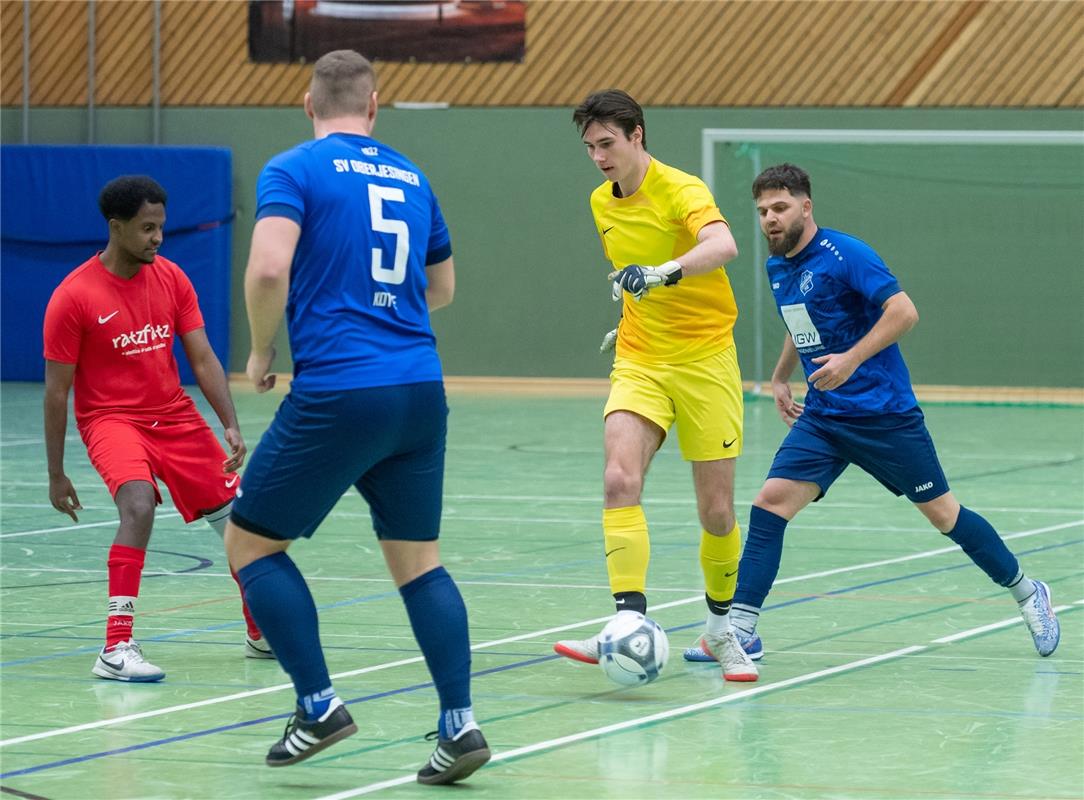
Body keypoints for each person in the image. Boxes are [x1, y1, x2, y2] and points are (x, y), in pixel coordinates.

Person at [222, 50, 489, 783]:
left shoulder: (294, 169)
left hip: (342, 388)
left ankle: (317, 706)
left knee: (250, 544)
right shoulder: (412, 175)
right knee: (418, 563)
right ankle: (459, 725)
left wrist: (261, 348)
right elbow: (441, 287)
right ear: (376, 107)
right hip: (419, 390)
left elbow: (270, 267)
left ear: (308, 106)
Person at [695, 162, 1060, 662]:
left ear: (806, 206)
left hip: (884, 415)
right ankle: (742, 629)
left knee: (945, 516)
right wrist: (782, 376)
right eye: (761, 212)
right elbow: (800, 321)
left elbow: (904, 311)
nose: (770, 220)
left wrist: (850, 359)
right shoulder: (778, 265)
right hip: (825, 417)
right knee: (770, 505)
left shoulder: (846, 254)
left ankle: (1026, 591)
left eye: (779, 208)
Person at [552, 89, 758, 682]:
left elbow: (723, 245)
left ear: (637, 134)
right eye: (590, 147)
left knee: (716, 511)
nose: (598, 157)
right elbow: (628, 278)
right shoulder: (600, 202)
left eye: (607, 144)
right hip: (641, 360)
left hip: (706, 361)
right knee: (619, 478)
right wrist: (632, 316)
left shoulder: (681, 189)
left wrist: (661, 275)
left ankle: (723, 632)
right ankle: (624, 625)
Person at [43, 175, 272, 683]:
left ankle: (260, 629)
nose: (157, 237)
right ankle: (116, 646)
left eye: (161, 227)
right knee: (139, 505)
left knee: (242, 523)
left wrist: (230, 424)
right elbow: (57, 392)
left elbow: (203, 356)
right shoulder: (73, 296)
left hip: (173, 414)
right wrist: (57, 474)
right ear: (116, 227)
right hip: (110, 420)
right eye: (147, 228)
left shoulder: (172, 279)